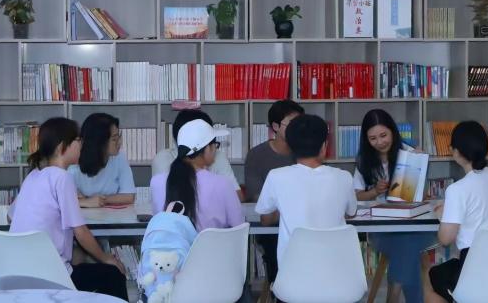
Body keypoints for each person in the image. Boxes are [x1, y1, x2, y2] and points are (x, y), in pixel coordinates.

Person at [9, 117, 128, 301]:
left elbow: (10, 217)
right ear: (62, 147)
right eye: (78, 140)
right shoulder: (62, 178)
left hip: (19, 274)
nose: (81, 144)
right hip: (53, 277)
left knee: (80, 261)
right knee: (114, 274)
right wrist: (105, 257)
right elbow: (80, 232)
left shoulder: (33, 176)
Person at [426, 121, 488, 303]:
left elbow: (445, 240)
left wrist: (443, 215)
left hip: (474, 274)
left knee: (429, 278)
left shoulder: (457, 190)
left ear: (455, 152)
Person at [354, 109, 435, 303]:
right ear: (366, 139)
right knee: (407, 247)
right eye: (373, 138)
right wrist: (374, 191)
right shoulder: (364, 160)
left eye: (383, 135)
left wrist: (419, 166)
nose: (380, 142)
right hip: (382, 230)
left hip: (414, 226)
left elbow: (422, 196)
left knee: (406, 242)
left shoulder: (409, 153)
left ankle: (393, 295)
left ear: (392, 131)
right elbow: (356, 196)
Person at [255, 114, 357, 267]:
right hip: (336, 272)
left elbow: (265, 219)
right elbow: (351, 213)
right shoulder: (344, 177)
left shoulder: (276, 176)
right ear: (324, 146)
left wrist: (286, 209)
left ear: (290, 147)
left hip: (293, 273)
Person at [244, 99, 304, 285]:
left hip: (304, 224)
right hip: (272, 227)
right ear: (276, 126)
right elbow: (256, 195)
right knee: (276, 253)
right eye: (292, 123)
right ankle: (280, 291)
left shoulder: (306, 152)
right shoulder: (257, 155)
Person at [150, 119, 244, 231]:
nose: (215, 149)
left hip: (172, 243)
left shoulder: (156, 182)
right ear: (207, 148)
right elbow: (239, 228)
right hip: (213, 243)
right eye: (215, 145)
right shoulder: (223, 184)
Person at [152, 109, 242, 201]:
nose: (213, 146)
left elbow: (237, 196)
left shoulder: (218, 155)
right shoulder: (163, 158)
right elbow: (167, 199)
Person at [68, 113, 136, 208]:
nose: (119, 142)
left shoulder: (120, 157)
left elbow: (129, 196)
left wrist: (100, 200)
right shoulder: (74, 163)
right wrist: (86, 202)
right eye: (114, 139)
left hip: (112, 214)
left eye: (119, 137)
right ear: (98, 142)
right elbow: (64, 200)